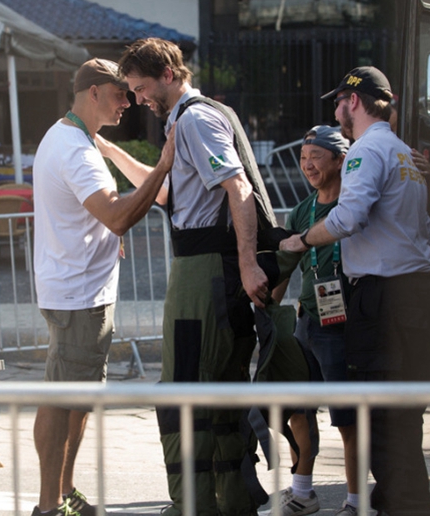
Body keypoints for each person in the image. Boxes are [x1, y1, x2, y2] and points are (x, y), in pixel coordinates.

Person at [118, 37, 275, 516]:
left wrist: (248, 263)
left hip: (204, 271)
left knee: (184, 389)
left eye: (141, 87)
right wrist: (112, 151)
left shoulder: (194, 119)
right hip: (210, 268)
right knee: (217, 389)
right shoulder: (201, 116)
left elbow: (238, 186)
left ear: (167, 73)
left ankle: (194, 502)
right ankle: (226, 499)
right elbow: (174, 194)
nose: (138, 99)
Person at [280, 66, 430, 516]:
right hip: (415, 293)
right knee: (404, 419)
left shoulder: (364, 152)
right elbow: (422, 227)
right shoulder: (406, 154)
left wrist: (302, 239)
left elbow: (348, 218)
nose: (336, 111)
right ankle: (404, 502)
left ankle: (411, 508)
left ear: (353, 102)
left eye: (337, 103)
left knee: (381, 424)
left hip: (383, 298)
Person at [32, 58, 174, 516]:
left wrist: (106, 235)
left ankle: (61, 493)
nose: (128, 103)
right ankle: (49, 505)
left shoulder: (75, 138)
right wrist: (162, 166)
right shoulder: (74, 147)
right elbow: (116, 213)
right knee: (63, 400)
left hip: (79, 291)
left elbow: (96, 217)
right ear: (93, 92)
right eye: (120, 94)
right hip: (78, 295)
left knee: (77, 399)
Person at [270, 126, 359, 516]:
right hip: (306, 321)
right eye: (303, 157)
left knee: (347, 417)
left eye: (317, 156)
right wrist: (268, 314)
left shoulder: (354, 205)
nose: (307, 164)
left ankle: (357, 501)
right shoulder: (301, 210)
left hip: (340, 324)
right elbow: (286, 270)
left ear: (340, 160)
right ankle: (303, 493)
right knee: (295, 409)